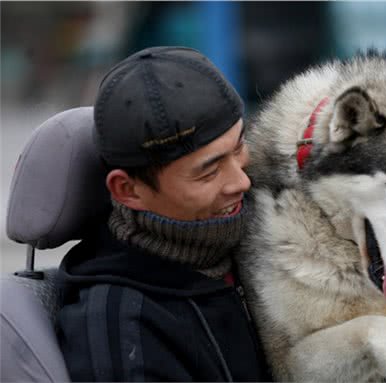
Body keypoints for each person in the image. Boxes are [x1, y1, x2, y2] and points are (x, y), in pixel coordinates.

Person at [56, 46, 270, 381]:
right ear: (129, 190)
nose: (241, 181)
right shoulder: (123, 333)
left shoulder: (264, 242)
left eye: (239, 147)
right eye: (209, 172)